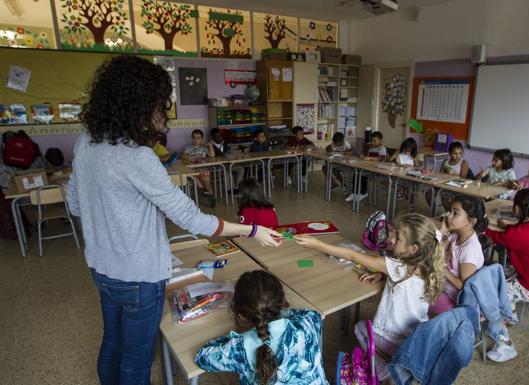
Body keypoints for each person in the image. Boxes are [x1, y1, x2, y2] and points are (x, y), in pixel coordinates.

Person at [66, 55, 281, 385]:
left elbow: (76, 205)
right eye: (159, 104)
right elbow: (194, 220)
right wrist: (252, 229)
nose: (162, 113)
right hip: (138, 276)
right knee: (136, 362)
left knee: (112, 343)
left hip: (101, 269)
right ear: (140, 104)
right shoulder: (138, 157)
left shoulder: (87, 141)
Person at [295, 213, 446, 381]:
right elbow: (408, 288)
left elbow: (352, 256)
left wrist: (317, 244)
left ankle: (381, 369)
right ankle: (391, 369)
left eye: (399, 237)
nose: (392, 239)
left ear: (413, 249)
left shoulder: (397, 268)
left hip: (390, 342)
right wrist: (383, 276)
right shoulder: (429, 268)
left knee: (359, 327)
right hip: (415, 341)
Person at [195, 270, 328, 385]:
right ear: (282, 302)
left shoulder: (239, 347)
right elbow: (313, 314)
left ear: (241, 315)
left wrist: (234, 337)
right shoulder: (306, 323)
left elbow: (202, 357)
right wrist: (282, 312)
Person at [429, 196, 487, 316]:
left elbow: (465, 287)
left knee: (415, 296)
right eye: (450, 211)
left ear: (471, 221)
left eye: (455, 213)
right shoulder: (456, 235)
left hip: (454, 300)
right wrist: (443, 229)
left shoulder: (469, 250)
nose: (448, 216)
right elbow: (434, 251)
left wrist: (444, 271)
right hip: (443, 287)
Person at [346, 131, 387, 202]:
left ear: (380, 140)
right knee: (356, 173)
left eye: (375, 141)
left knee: (362, 175)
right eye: (372, 141)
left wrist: (370, 158)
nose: (373, 142)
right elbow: (367, 157)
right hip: (368, 168)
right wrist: (364, 155)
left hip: (376, 171)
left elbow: (382, 158)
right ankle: (354, 193)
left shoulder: (382, 148)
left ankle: (363, 193)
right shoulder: (371, 148)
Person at [182, 129, 216, 208]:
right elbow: (183, 156)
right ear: (191, 138)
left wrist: (210, 145)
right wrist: (193, 157)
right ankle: (203, 190)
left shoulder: (204, 147)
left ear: (202, 139)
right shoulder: (189, 147)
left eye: (198, 138)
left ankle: (211, 196)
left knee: (206, 180)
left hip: (203, 169)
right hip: (193, 170)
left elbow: (212, 156)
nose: (196, 140)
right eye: (194, 138)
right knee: (194, 178)